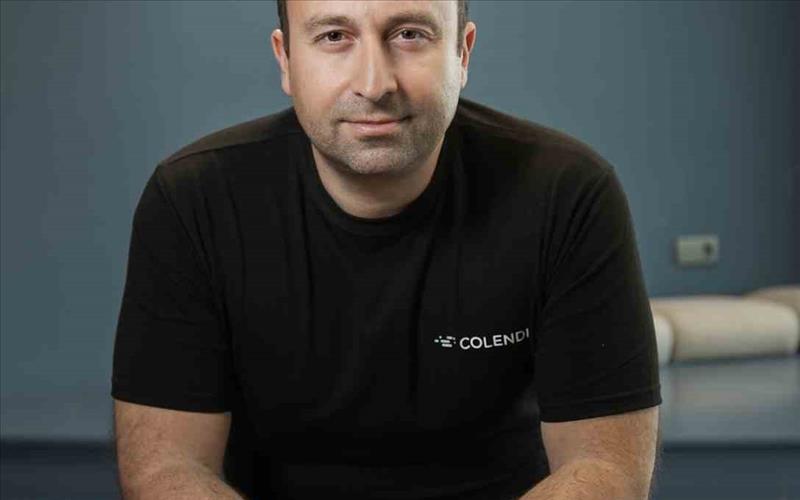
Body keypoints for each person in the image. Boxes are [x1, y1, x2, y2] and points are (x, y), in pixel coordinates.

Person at [111, 1, 662, 499]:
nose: (374, 84)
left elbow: (605, 468)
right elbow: (166, 468)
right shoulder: (194, 200)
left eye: (409, 34)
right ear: (286, 59)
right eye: (333, 36)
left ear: (462, 52)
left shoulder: (566, 193)